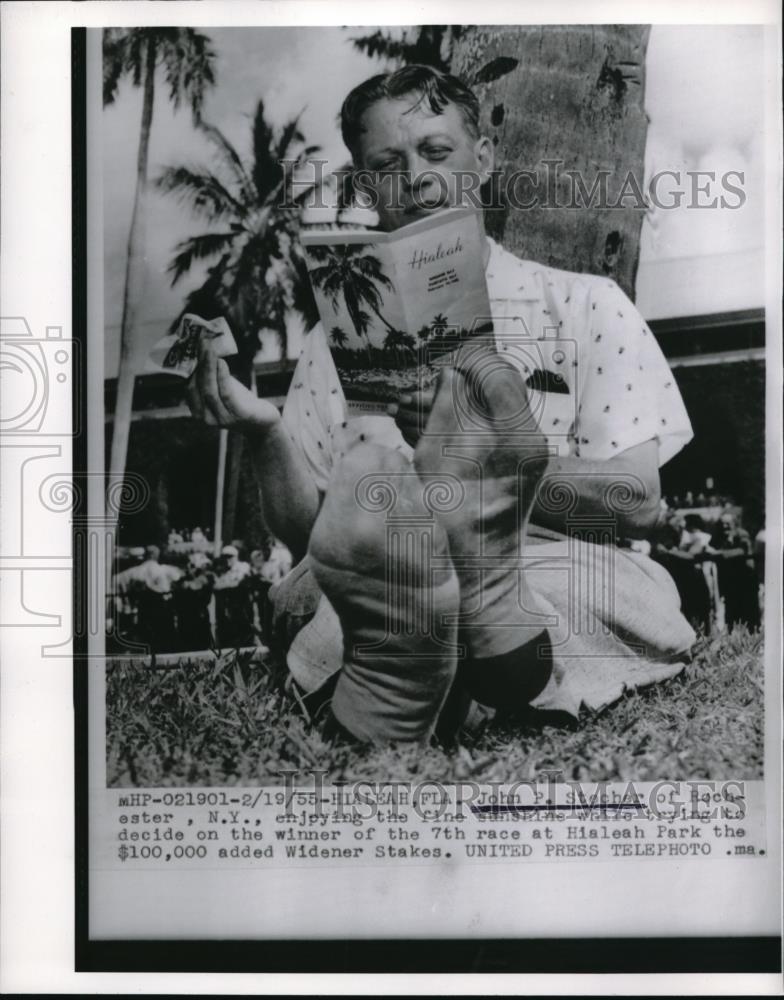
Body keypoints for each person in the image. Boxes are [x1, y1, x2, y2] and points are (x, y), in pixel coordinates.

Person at [186, 64, 696, 744]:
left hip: (549, 557)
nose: (417, 179)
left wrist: (496, 479)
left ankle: (453, 615)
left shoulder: (583, 304)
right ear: (365, 186)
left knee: (566, 598)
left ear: (482, 159)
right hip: (384, 564)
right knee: (355, 591)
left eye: (435, 151)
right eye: (387, 164)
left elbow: (636, 499)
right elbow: (310, 537)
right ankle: (446, 630)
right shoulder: (334, 338)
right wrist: (263, 433)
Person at [709, 512, 760, 630]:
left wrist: (720, 553)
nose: (724, 526)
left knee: (748, 615)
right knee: (732, 614)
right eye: (722, 523)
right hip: (730, 581)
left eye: (728, 523)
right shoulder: (721, 535)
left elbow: (742, 551)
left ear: (735, 523)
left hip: (745, 580)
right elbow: (711, 545)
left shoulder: (741, 534)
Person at [172, 552, 215, 651]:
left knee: (201, 646)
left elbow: (195, 586)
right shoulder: (184, 580)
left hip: (199, 616)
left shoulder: (206, 578)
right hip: (186, 618)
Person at [213, 544, 253, 647]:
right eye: (225, 557)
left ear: (236, 556)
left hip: (242, 604)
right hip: (229, 605)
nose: (227, 560)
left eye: (230, 557)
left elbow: (238, 583)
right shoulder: (222, 570)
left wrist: (225, 584)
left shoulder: (243, 566)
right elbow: (216, 586)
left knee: (246, 632)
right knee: (229, 635)